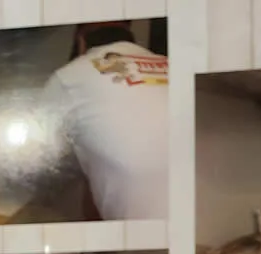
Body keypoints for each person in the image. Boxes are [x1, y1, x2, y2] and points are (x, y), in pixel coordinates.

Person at [40, 21, 169, 221]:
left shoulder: (67, 77)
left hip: (143, 234)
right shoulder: (169, 62)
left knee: (89, 153)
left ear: (80, 38)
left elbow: (42, 150)